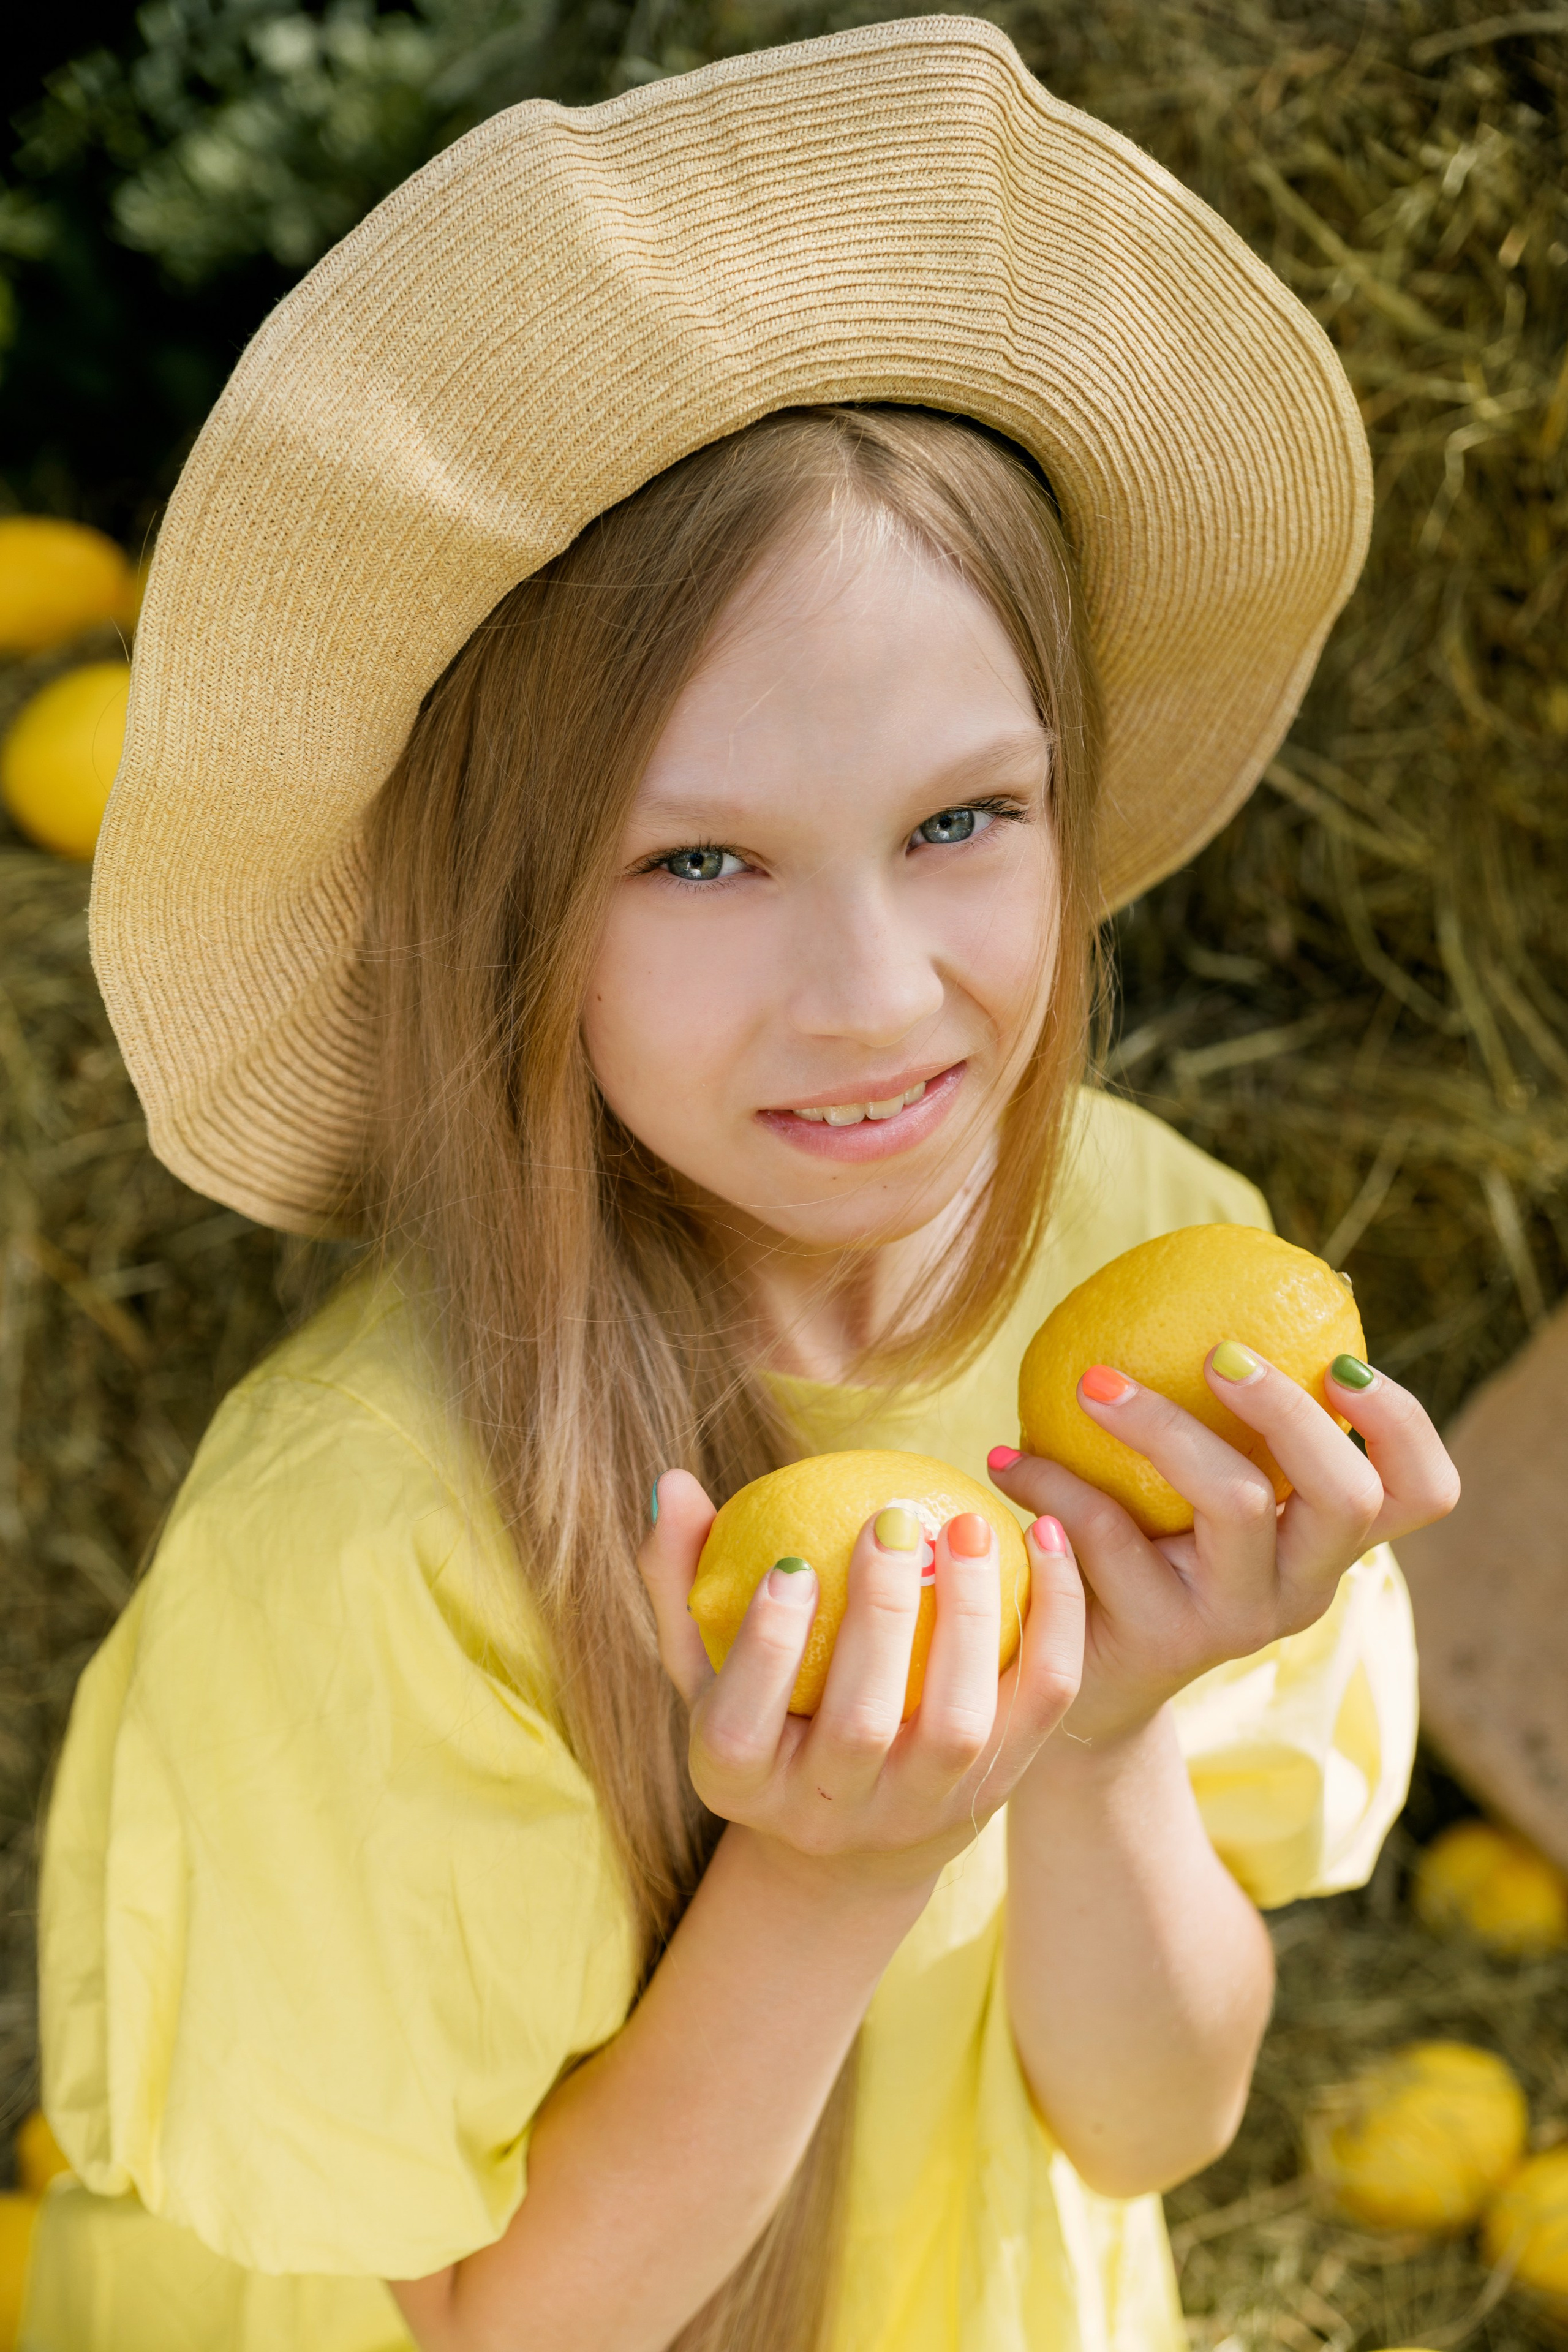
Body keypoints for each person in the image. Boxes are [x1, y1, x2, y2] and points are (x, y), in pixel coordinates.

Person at [24, 19, 1457, 2352]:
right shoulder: (371, 1537)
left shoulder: (1143, 1257)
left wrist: (1099, 1735)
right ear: (501, 909)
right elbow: (508, 2326)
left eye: (962, 823)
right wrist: (817, 1877)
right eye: (700, 859)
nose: (877, 998)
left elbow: (1153, 2121)